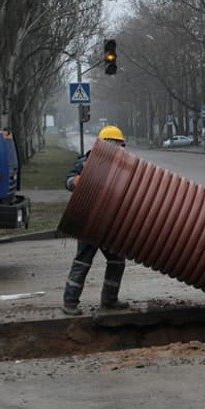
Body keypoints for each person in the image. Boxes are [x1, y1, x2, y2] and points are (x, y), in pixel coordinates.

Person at [62, 125, 129, 316]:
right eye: (115, 145)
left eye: (120, 146)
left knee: (117, 260)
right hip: (89, 223)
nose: (118, 149)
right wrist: (75, 181)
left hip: (108, 224)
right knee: (83, 261)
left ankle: (109, 300)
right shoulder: (86, 163)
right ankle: (70, 302)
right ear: (104, 144)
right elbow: (68, 180)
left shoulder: (122, 168)